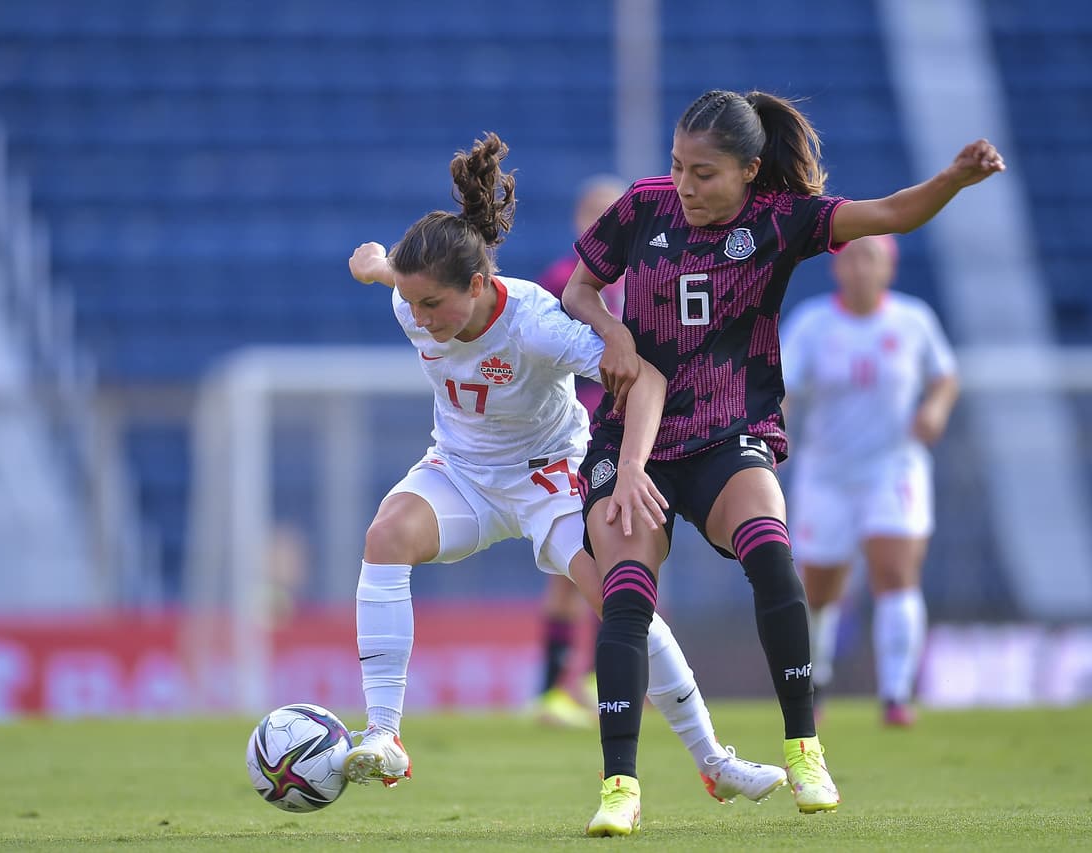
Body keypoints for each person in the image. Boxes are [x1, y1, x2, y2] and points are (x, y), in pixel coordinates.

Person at [561, 88, 1003, 835]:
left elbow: (890, 214)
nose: (687, 185)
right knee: (626, 592)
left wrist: (952, 181)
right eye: (677, 167)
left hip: (731, 433)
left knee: (771, 552)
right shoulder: (641, 207)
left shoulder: (780, 219)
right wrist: (611, 330)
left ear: (748, 171)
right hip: (632, 443)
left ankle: (804, 748)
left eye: (705, 172)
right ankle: (620, 788)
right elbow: (579, 287)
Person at [344, 132, 788, 808]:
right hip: (460, 472)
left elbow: (642, 379)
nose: (421, 318)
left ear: (478, 284)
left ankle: (713, 759)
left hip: (550, 475)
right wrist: (375, 265)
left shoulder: (536, 324)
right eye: (412, 302)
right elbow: (393, 279)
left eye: (434, 305)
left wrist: (632, 454)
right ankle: (384, 734)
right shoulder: (414, 299)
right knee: (385, 536)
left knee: (621, 606)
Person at [780, 234, 959, 727]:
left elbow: (944, 376)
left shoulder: (913, 320)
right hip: (827, 472)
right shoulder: (814, 324)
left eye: (871, 258)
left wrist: (935, 409)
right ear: (837, 268)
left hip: (893, 467)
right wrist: (776, 435)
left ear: (889, 268)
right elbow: (784, 388)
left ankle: (896, 693)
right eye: (851, 258)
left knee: (895, 570)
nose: (860, 268)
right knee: (818, 586)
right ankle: (817, 681)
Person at [530, 175, 628, 729]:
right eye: (592, 211)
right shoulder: (561, 281)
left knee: (620, 558)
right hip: (575, 439)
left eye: (609, 211)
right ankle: (551, 691)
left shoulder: (642, 278)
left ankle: (596, 682)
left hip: (629, 435)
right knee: (570, 564)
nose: (600, 220)